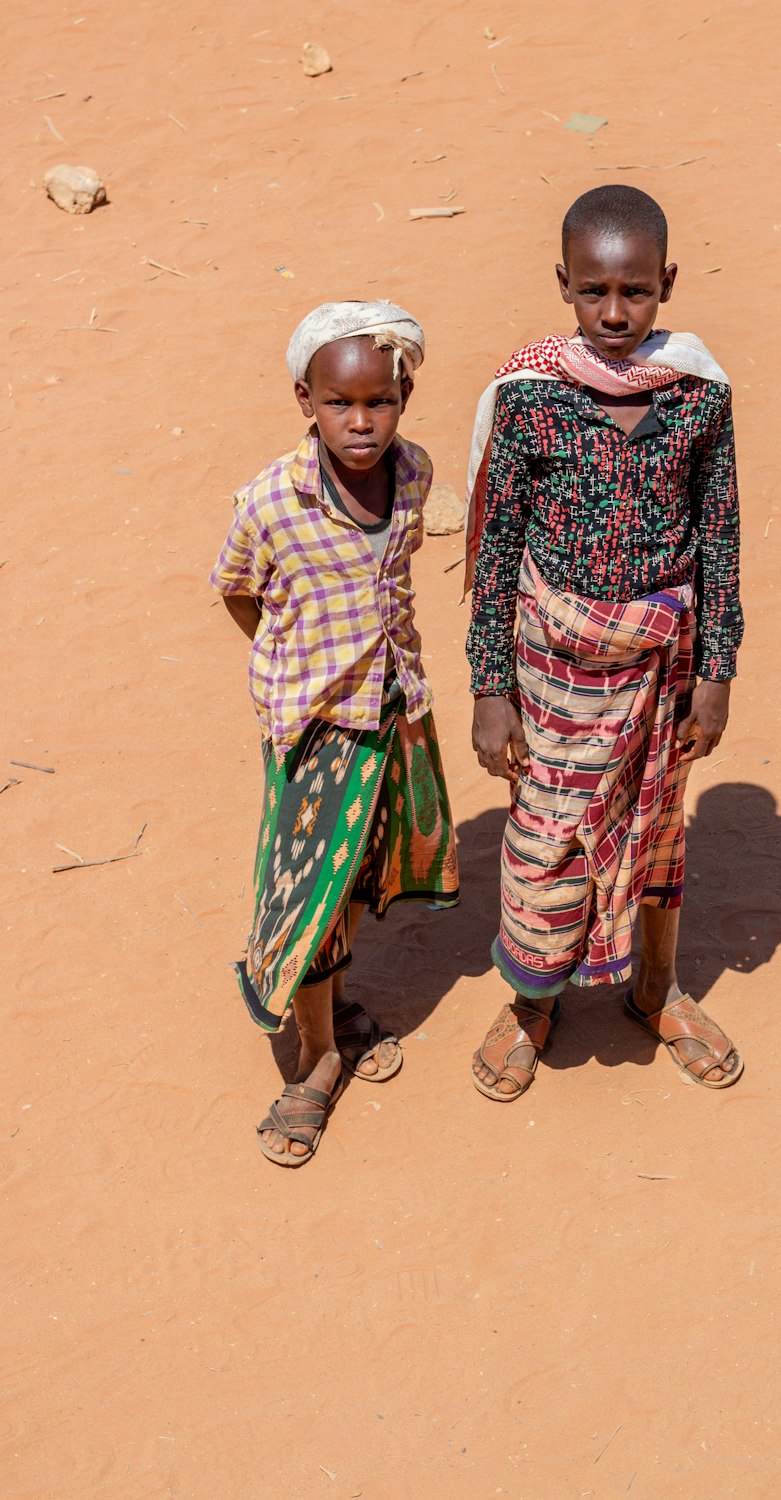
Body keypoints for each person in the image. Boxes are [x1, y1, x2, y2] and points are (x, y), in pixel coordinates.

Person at [464, 185, 744, 1101]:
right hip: (552, 673)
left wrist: (717, 670)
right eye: (594, 293)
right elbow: (497, 543)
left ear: (666, 283)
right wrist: (488, 685)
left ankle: (655, 993)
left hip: (665, 664)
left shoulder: (699, 397)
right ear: (563, 285)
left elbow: (720, 536)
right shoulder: (530, 399)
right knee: (548, 836)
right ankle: (531, 1004)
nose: (615, 314)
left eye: (635, 292)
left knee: (656, 832)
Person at [211, 300, 459, 1165]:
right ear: (303, 400)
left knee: (353, 875)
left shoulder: (416, 475)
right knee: (308, 896)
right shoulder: (272, 501)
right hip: (314, 727)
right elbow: (240, 590)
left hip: (390, 712)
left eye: (381, 402)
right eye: (339, 404)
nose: (362, 422)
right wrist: (297, 668)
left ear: (404, 395)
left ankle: (336, 1007)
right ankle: (316, 1060)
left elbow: (395, 579)